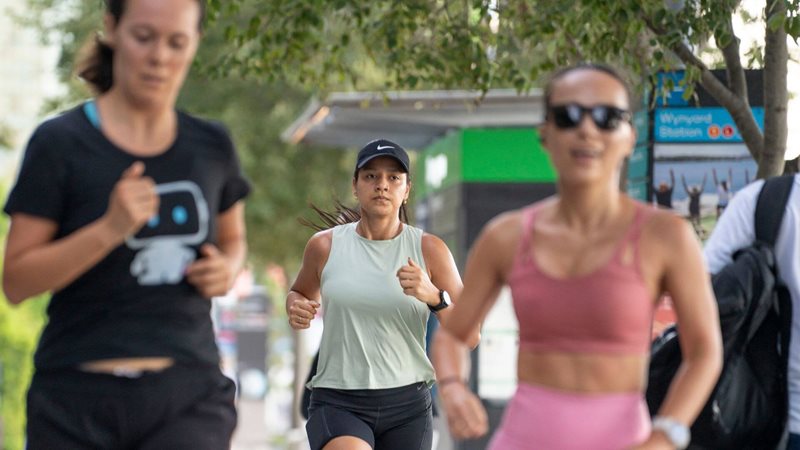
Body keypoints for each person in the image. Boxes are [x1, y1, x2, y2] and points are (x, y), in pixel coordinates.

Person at [431, 63, 722, 450]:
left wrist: (666, 435)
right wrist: (452, 390)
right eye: (568, 116)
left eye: (607, 117)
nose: (587, 129)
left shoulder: (666, 236)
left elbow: (704, 352)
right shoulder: (506, 236)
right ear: (545, 134)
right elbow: (453, 334)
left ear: (629, 136)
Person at [1, 0, 250, 448]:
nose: (160, 56)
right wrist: (110, 227)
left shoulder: (211, 145)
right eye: (144, 37)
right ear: (112, 28)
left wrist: (227, 270)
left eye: (177, 42)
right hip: (74, 402)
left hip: (187, 397)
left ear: (195, 43)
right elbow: (16, 281)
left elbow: (233, 241)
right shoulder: (59, 144)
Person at [286, 139, 477, 450]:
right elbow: (298, 293)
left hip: (407, 406)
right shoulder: (324, 246)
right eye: (371, 176)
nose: (382, 185)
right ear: (355, 186)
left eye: (394, 178)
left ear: (406, 189)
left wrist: (434, 296)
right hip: (338, 400)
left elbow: (470, 335)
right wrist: (296, 307)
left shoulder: (430, 250)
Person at [703, 174, 800, 449]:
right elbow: (697, 298)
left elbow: (698, 298)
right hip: (781, 420)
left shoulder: (762, 201)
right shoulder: (762, 203)